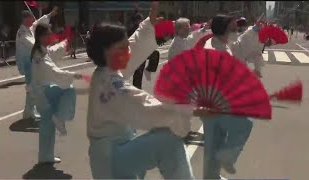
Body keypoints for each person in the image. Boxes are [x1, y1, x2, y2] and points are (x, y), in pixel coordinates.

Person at [86, 2, 214, 179]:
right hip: (113, 159)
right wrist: (192, 109)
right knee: (167, 141)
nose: (128, 52)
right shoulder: (110, 85)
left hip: (112, 156)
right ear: (105, 51)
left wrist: (147, 25)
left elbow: (134, 43)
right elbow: (146, 107)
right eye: (122, 48)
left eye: (127, 47)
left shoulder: (105, 70)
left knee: (163, 137)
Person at [201, 14, 271, 179]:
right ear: (225, 29)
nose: (237, 28)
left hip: (216, 103)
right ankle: (227, 158)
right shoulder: (213, 47)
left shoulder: (223, 44)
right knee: (243, 126)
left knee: (213, 142)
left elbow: (240, 49)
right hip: (217, 103)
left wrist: (255, 31)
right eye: (233, 26)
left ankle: (211, 176)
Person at [30, 23, 85, 163]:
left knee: (47, 125)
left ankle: (45, 156)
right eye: (48, 34)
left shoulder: (41, 50)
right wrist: (72, 74)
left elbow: (53, 51)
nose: (51, 36)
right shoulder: (38, 55)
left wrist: (65, 42)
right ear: (42, 37)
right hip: (43, 94)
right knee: (69, 90)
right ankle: (60, 117)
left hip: (43, 92)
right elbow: (53, 71)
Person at [15, 8, 57, 120]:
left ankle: (28, 112)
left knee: (32, 88)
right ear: (24, 19)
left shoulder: (29, 28)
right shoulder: (22, 33)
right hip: (28, 64)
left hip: (33, 63)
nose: (33, 19)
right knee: (31, 87)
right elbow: (32, 45)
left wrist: (49, 15)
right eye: (30, 18)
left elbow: (38, 23)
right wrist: (46, 45)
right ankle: (29, 112)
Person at [127, 10, 160, 89]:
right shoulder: (132, 29)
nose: (140, 21)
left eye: (141, 20)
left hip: (142, 52)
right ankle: (136, 87)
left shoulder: (143, 28)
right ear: (135, 21)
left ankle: (148, 70)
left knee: (155, 54)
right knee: (138, 72)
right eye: (139, 20)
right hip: (136, 53)